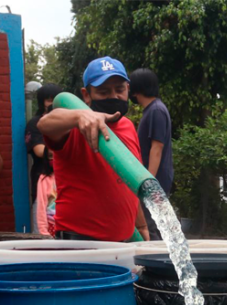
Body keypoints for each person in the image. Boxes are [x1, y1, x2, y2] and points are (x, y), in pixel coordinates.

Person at [38, 57, 149, 241]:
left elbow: (129, 179)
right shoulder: (74, 126)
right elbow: (45, 124)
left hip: (124, 242)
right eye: (104, 91)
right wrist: (80, 116)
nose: (114, 96)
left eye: (119, 89)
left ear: (128, 88)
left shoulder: (128, 126)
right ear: (87, 94)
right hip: (80, 244)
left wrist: (142, 225)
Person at [130, 68, 173, 240]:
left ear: (137, 88)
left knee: (152, 225)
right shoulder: (151, 109)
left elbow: (157, 148)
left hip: (155, 179)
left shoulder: (156, 110)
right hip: (152, 178)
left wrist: (149, 182)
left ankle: (155, 264)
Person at [25, 83, 62, 231]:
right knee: (42, 225)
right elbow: (40, 150)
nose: (52, 104)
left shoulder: (68, 121)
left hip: (64, 181)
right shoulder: (35, 123)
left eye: (55, 99)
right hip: (43, 180)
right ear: (41, 102)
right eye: (48, 100)